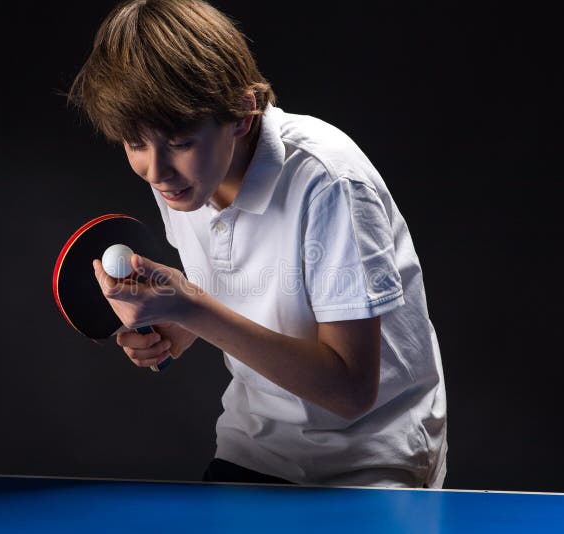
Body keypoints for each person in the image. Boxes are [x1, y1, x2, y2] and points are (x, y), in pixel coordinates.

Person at [67, 0, 447, 488]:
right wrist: (179, 324)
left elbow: (352, 390)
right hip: (255, 447)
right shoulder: (182, 180)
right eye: (135, 142)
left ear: (242, 115)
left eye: (179, 141)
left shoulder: (330, 184)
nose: (155, 170)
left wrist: (194, 309)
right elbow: (237, 292)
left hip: (372, 459)